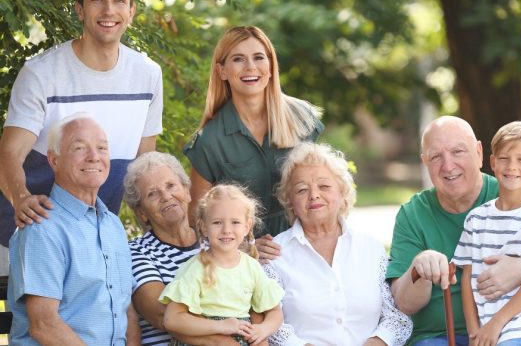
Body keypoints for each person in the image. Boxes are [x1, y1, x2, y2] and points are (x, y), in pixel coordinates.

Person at [0, 0, 163, 275]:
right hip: (17, 232)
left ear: (131, 11)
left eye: (119, 0)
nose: (108, 10)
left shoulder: (147, 74)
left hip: (94, 239)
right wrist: (21, 199)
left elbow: (144, 169)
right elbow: (9, 154)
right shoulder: (41, 73)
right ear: (79, 9)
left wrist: (160, 236)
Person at [386, 116, 521, 346]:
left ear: (478, 153)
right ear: (424, 161)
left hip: (510, 331)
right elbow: (404, 304)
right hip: (438, 337)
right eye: (436, 156)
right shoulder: (413, 214)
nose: (448, 166)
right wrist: (420, 267)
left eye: (458, 151)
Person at [183, 26, 323, 254]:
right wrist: (245, 247)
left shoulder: (301, 118)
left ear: (270, 66)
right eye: (238, 59)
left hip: (307, 246)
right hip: (245, 262)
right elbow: (197, 220)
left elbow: (322, 186)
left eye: (259, 57)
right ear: (222, 71)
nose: (250, 67)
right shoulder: (209, 140)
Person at [266, 142, 412, 346]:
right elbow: (272, 328)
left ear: (342, 191)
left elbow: (396, 317)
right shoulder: (275, 255)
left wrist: (377, 343)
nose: (314, 195)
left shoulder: (371, 248)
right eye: (301, 190)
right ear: (289, 201)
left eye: (324, 186)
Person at [8, 114, 135, 345]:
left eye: (102, 148)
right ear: (54, 160)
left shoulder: (113, 226)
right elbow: (45, 326)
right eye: (79, 147)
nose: (94, 157)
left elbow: (127, 309)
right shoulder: (42, 226)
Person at [452, 121, 521, 346]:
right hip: (488, 334)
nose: (511, 166)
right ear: (492, 162)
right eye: (504, 158)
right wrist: (474, 334)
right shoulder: (476, 219)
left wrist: (496, 323)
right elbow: (467, 280)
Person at [125, 152, 245, 346]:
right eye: (152, 194)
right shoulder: (136, 252)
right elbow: (163, 314)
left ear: (188, 192)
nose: (166, 196)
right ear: (141, 213)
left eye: (171, 186)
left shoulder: (217, 240)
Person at [160, 184, 284, 346]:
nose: (226, 230)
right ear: (204, 227)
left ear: (247, 226)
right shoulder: (196, 268)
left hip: (241, 337)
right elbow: (172, 319)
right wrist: (220, 326)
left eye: (235, 222)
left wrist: (262, 330)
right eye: (217, 222)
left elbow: (275, 312)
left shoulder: (251, 267)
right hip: (205, 338)